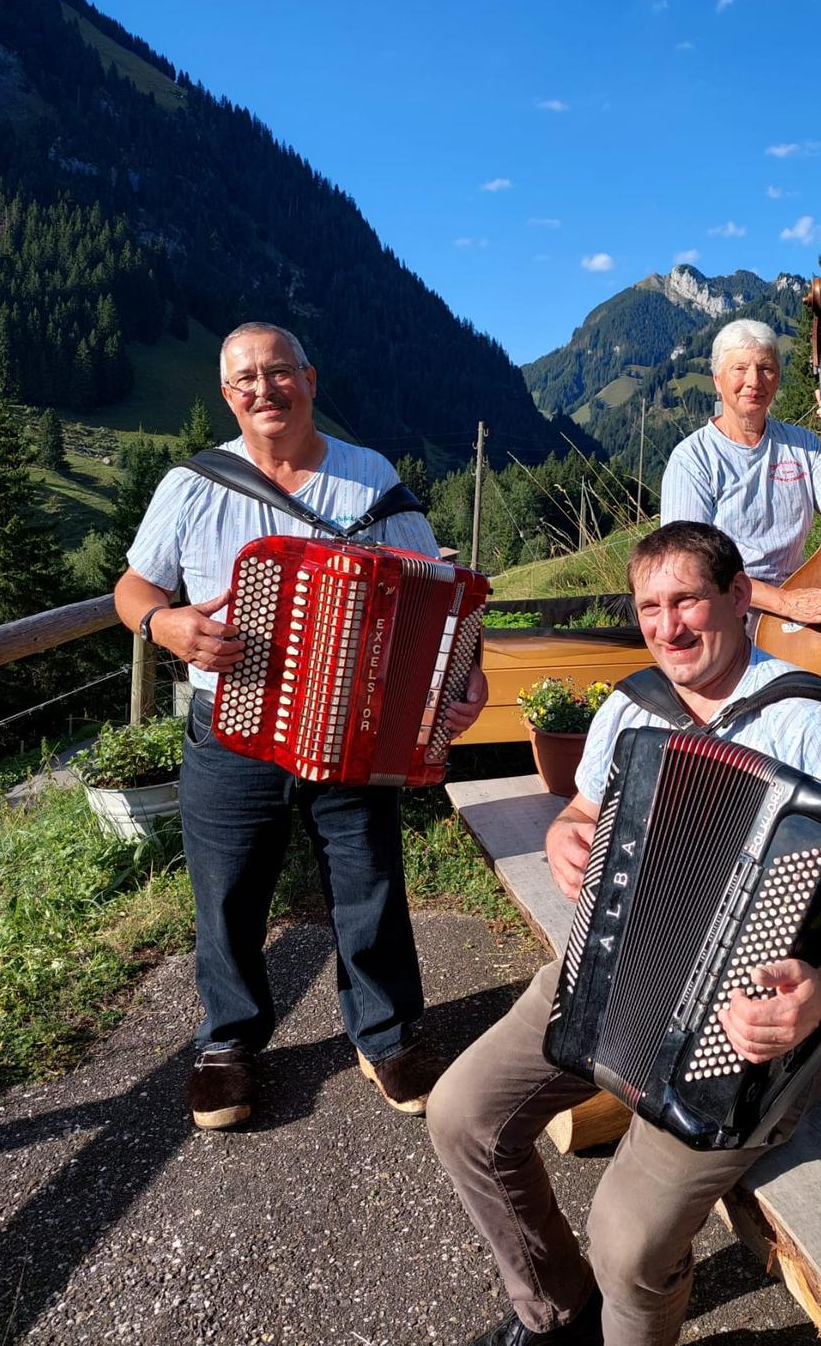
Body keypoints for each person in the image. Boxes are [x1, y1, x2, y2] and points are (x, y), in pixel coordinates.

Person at [427, 521, 821, 1346]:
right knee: (460, 1115)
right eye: (650, 606)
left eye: (688, 598)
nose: (668, 624)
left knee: (627, 1245)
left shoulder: (808, 725)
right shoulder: (632, 706)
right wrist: (564, 834)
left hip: (750, 1027)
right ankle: (558, 1311)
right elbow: (583, 809)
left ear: (737, 598)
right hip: (612, 970)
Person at [114, 322, 487, 1130]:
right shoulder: (193, 484)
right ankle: (229, 1043)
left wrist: (468, 676)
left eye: (278, 373)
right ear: (226, 395)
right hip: (230, 723)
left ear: (310, 381)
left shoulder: (372, 480)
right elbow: (134, 588)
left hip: (353, 731)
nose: (263, 390)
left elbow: (443, 593)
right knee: (227, 891)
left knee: (368, 882)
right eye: (245, 380)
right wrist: (164, 627)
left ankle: (386, 1035)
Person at [659, 318, 821, 632]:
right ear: (717, 379)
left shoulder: (803, 444)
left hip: (799, 606)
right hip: (729, 615)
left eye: (765, 368)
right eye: (739, 369)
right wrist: (784, 602)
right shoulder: (692, 459)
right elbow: (688, 565)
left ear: (778, 378)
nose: (754, 381)